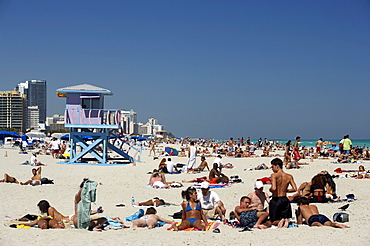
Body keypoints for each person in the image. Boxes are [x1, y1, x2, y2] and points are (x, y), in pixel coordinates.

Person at [269, 158, 297, 228]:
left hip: (276, 199)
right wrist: (286, 190)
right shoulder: (289, 176)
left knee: (273, 219)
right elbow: (295, 189)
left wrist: (270, 189)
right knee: (285, 216)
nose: (272, 168)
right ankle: (285, 221)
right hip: (284, 198)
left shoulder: (274, 175)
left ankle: (282, 221)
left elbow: (274, 188)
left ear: (277, 166)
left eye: (272, 166)